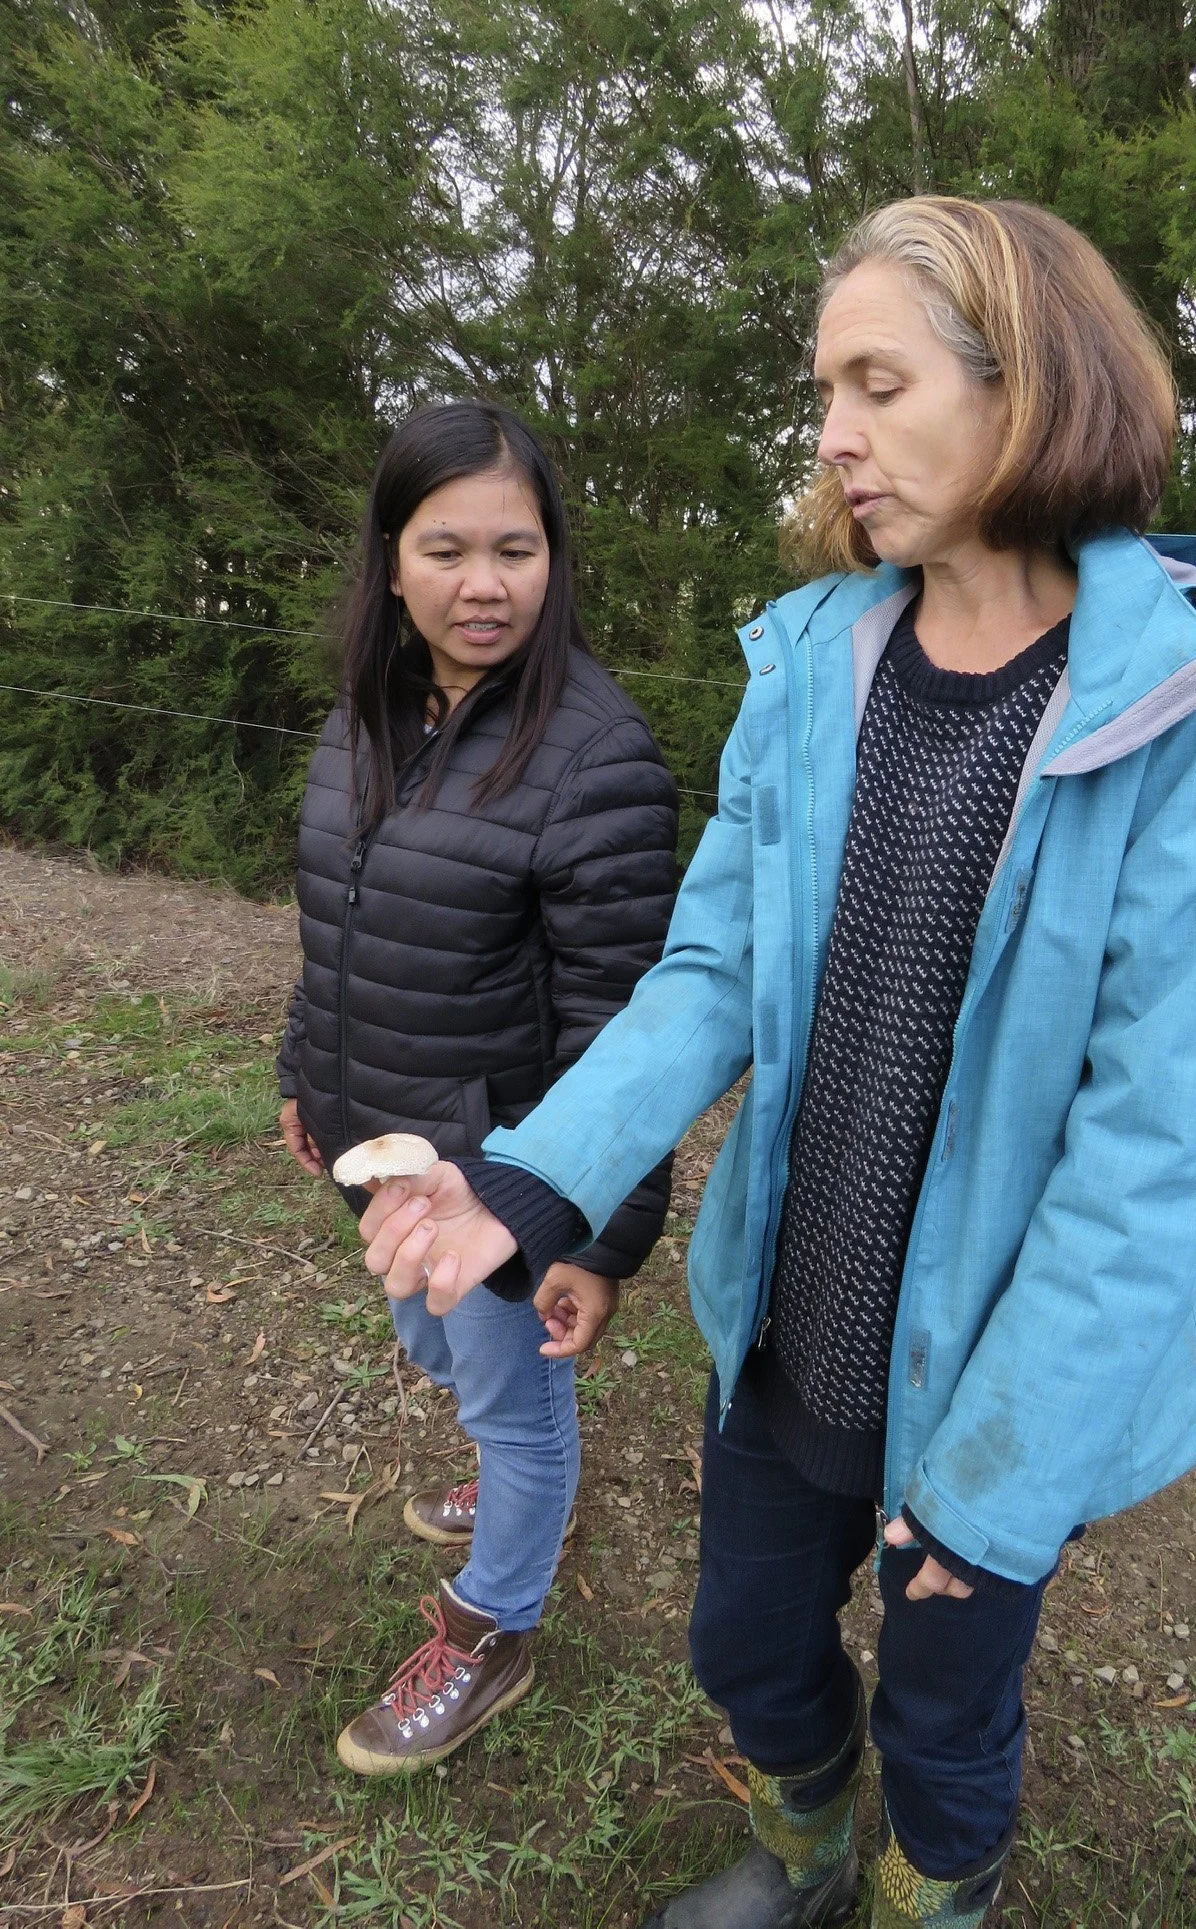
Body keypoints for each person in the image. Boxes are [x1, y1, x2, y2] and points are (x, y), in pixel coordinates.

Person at [358, 200, 1196, 1925]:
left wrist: (1001, 1489)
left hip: (990, 1379)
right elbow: (711, 970)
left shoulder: (1191, 724)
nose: (835, 437)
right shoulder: (812, 666)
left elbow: (1145, 1162)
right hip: (794, 1322)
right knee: (748, 1641)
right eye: (824, 392)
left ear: (1036, 387)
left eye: (880, 381)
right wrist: (528, 1179)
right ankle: (800, 1849)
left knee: (950, 1705)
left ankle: (936, 1895)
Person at [275, 400, 677, 1777]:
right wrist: (304, 1070)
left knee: (515, 1396)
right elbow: (342, 915)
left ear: (554, 560)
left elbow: (624, 1029)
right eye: (447, 548)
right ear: (391, 561)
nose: (484, 582)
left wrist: (589, 1236)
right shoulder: (369, 715)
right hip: (385, 1141)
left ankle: (494, 1623)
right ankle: (506, 1477)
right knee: (439, 1348)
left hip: (504, 1177)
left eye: (516, 547)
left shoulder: (597, 756)